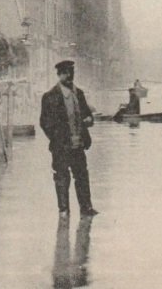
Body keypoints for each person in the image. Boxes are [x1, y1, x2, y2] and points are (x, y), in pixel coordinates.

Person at [40, 60, 98, 217]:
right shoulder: (50, 97)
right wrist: (57, 138)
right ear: (59, 75)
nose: (69, 76)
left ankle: (86, 208)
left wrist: (88, 121)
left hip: (78, 144)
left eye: (71, 73)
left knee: (82, 176)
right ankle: (63, 210)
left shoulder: (79, 93)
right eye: (65, 73)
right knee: (61, 177)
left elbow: (88, 115)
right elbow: (44, 123)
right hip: (61, 146)